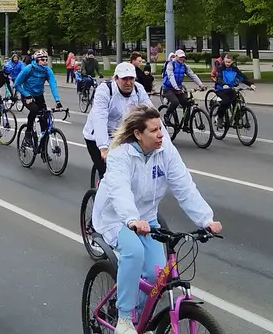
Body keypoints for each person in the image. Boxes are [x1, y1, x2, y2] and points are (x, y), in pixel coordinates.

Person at [91, 105, 221, 334]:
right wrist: (131, 220)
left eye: (161, 128)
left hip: (146, 218)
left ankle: (139, 318)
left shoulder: (166, 152)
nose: (161, 134)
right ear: (138, 134)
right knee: (133, 252)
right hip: (116, 218)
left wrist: (206, 220)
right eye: (153, 130)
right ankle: (123, 319)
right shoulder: (120, 156)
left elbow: (184, 187)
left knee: (155, 274)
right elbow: (120, 191)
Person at [83, 62, 154, 181]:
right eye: (124, 79)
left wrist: (161, 138)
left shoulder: (138, 89)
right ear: (116, 78)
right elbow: (100, 118)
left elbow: (151, 114)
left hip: (121, 134)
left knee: (134, 169)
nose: (128, 82)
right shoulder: (105, 90)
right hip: (97, 136)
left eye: (131, 78)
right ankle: (102, 194)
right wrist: (103, 148)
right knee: (108, 174)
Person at [14, 49, 63, 138]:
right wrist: (26, 94)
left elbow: (53, 85)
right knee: (34, 110)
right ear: (36, 60)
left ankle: (43, 148)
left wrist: (58, 101)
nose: (45, 62)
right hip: (27, 95)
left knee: (45, 120)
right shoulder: (29, 68)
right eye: (42, 60)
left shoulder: (47, 70)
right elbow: (16, 84)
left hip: (39, 95)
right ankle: (28, 133)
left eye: (46, 60)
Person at [160, 50, 204, 126]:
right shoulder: (171, 64)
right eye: (180, 57)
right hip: (168, 88)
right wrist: (175, 86)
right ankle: (166, 116)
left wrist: (201, 84)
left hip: (178, 89)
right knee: (175, 102)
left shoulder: (184, 66)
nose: (182, 59)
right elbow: (170, 76)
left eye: (183, 57)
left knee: (187, 104)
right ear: (176, 56)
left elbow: (192, 75)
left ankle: (186, 125)